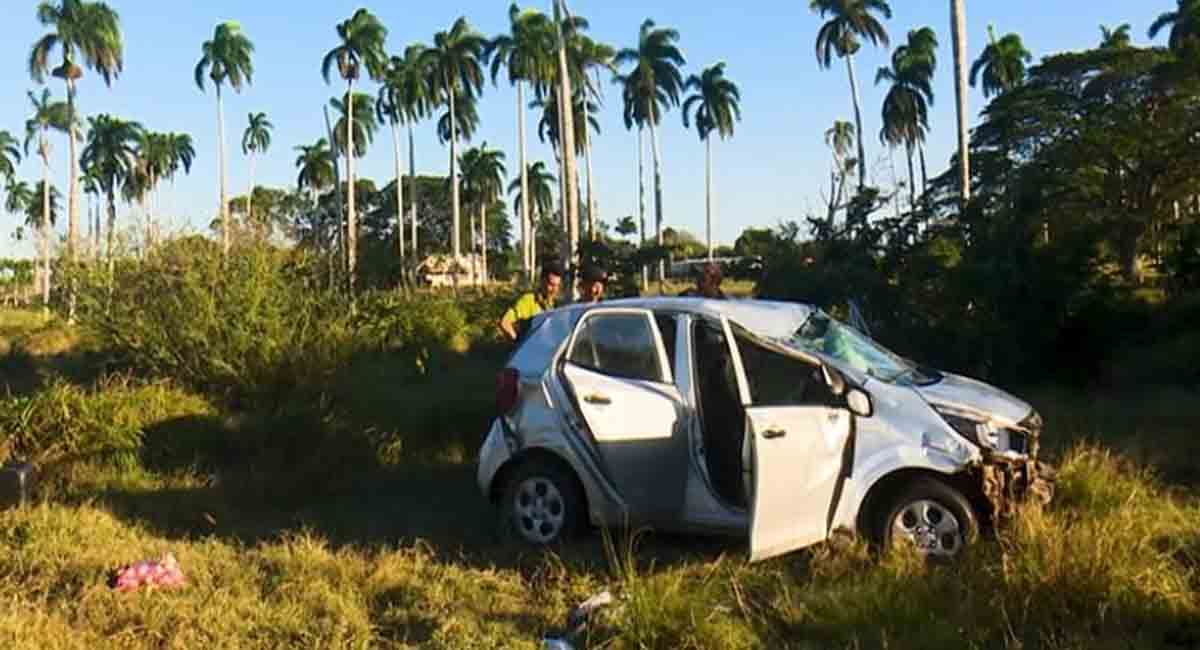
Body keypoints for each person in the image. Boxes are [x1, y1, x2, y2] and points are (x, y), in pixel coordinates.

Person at [499, 262, 563, 342]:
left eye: (557, 285)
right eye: (551, 285)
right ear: (542, 281)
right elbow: (505, 322)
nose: (554, 290)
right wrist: (518, 344)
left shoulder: (556, 305)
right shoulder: (528, 300)